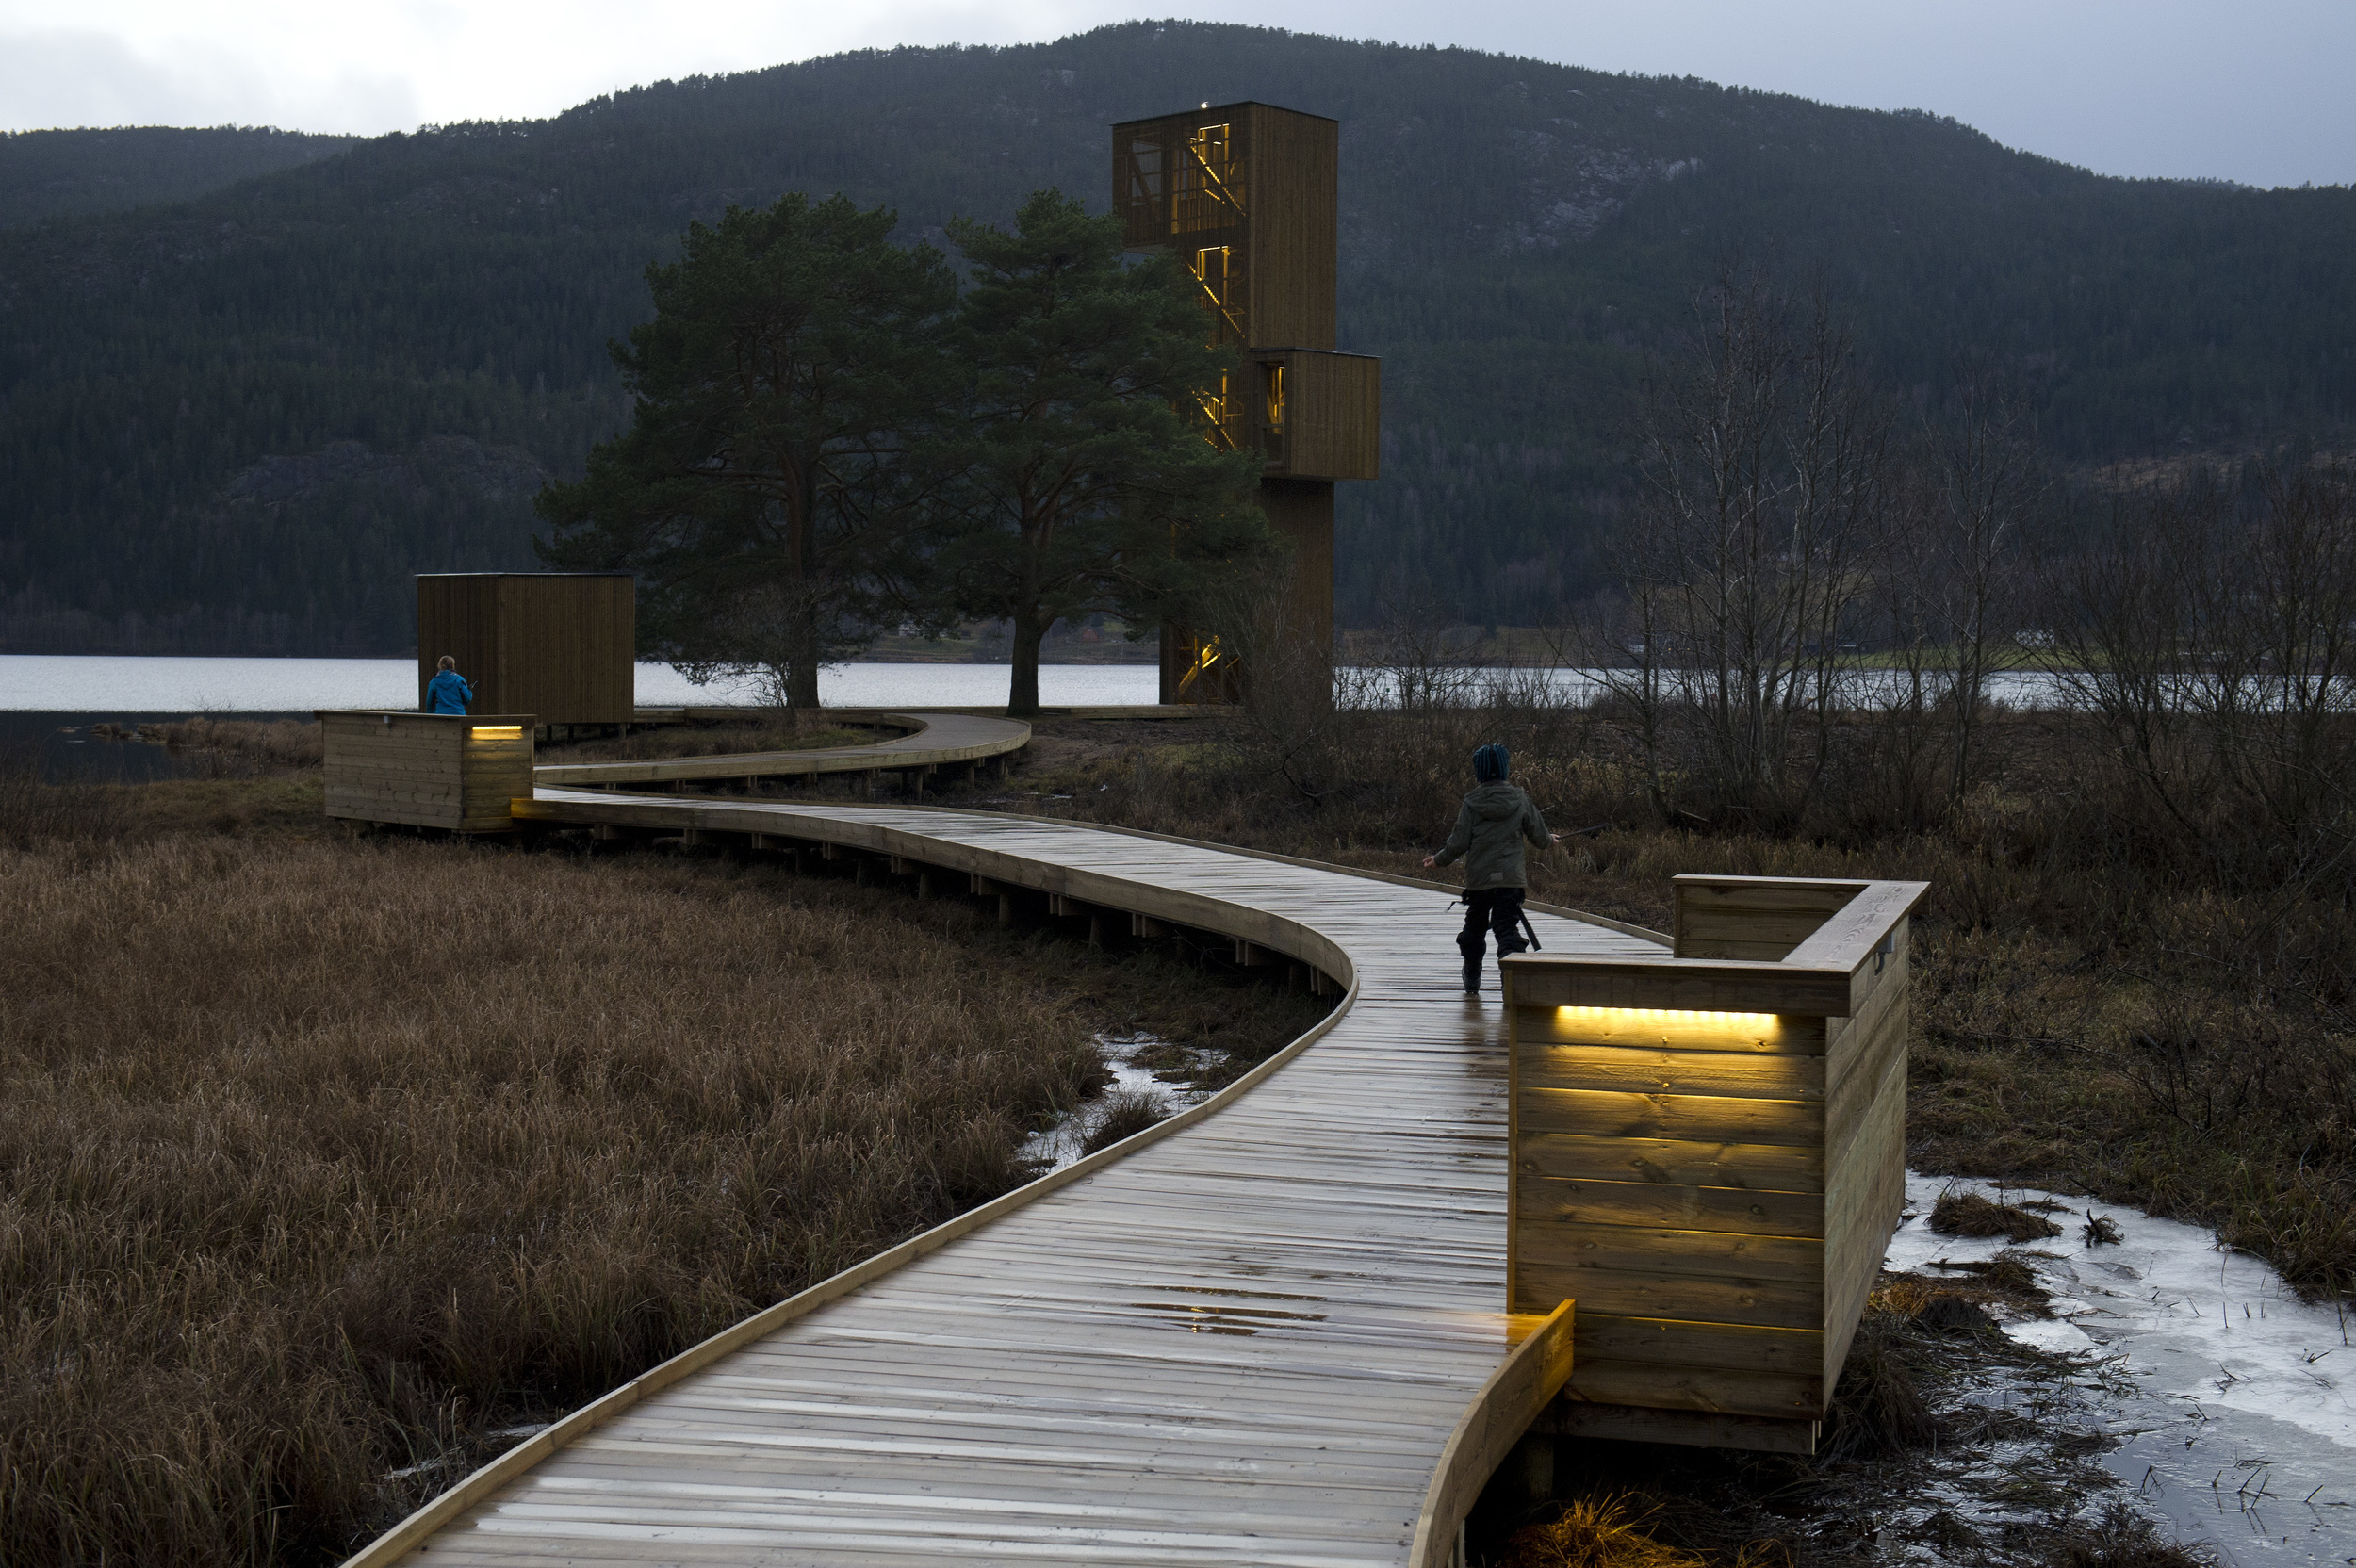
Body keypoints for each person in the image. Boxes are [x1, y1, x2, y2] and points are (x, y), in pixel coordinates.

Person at [1422, 743, 1559, 996]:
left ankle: (1472, 974)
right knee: (1506, 928)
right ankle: (1512, 977)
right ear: (1505, 769)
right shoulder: (1519, 799)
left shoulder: (1472, 803)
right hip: (1510, 880)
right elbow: (1539, 837)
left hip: (1479, 882)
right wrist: (1550, 840)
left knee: (1475, 927)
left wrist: (1439, 860)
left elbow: (1459, 842)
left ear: (1479, 773)